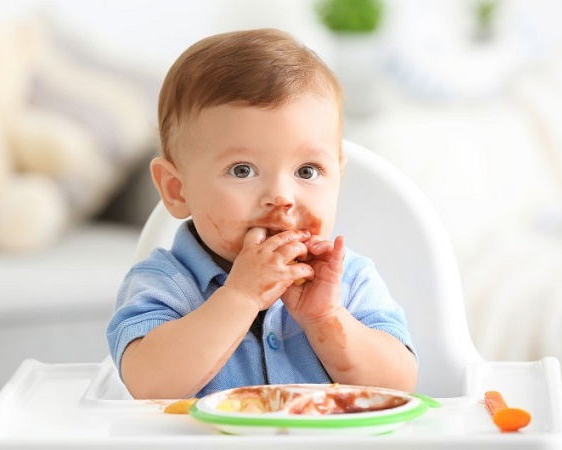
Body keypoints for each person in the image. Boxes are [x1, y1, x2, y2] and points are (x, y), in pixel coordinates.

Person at [106, 28, 417, 400]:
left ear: (338, 177)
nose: (281, 198)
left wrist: (327, 318)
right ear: (176, 189)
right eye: (242, 170)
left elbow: (399, 387)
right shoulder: (164, 283)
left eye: (307, 171)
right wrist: (240, 297)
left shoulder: (348, 281)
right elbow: (148, 384)